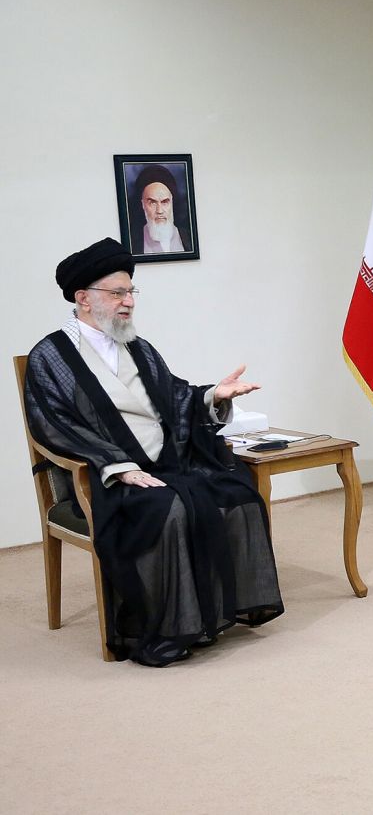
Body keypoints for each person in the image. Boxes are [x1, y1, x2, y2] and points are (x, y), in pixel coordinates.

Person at [23, 238, 283, 666]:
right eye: (117, 293)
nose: (129, 302)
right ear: (83, 298)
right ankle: (169, 626)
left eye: (131, 292)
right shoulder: (50, 356)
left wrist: (213, 396)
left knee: (238, 494)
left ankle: (217, 613)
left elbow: (176, 395)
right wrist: (117, 465)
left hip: (167, 464)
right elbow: (52, 424)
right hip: (108, 477)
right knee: (170, 508)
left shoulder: (138, 347)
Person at [134, 165, 186, 254]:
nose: (159, 211)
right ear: (143, 204)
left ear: (172, 202)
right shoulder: (134, 242)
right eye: (152, 203)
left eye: (164, 202)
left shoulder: (188, 238)